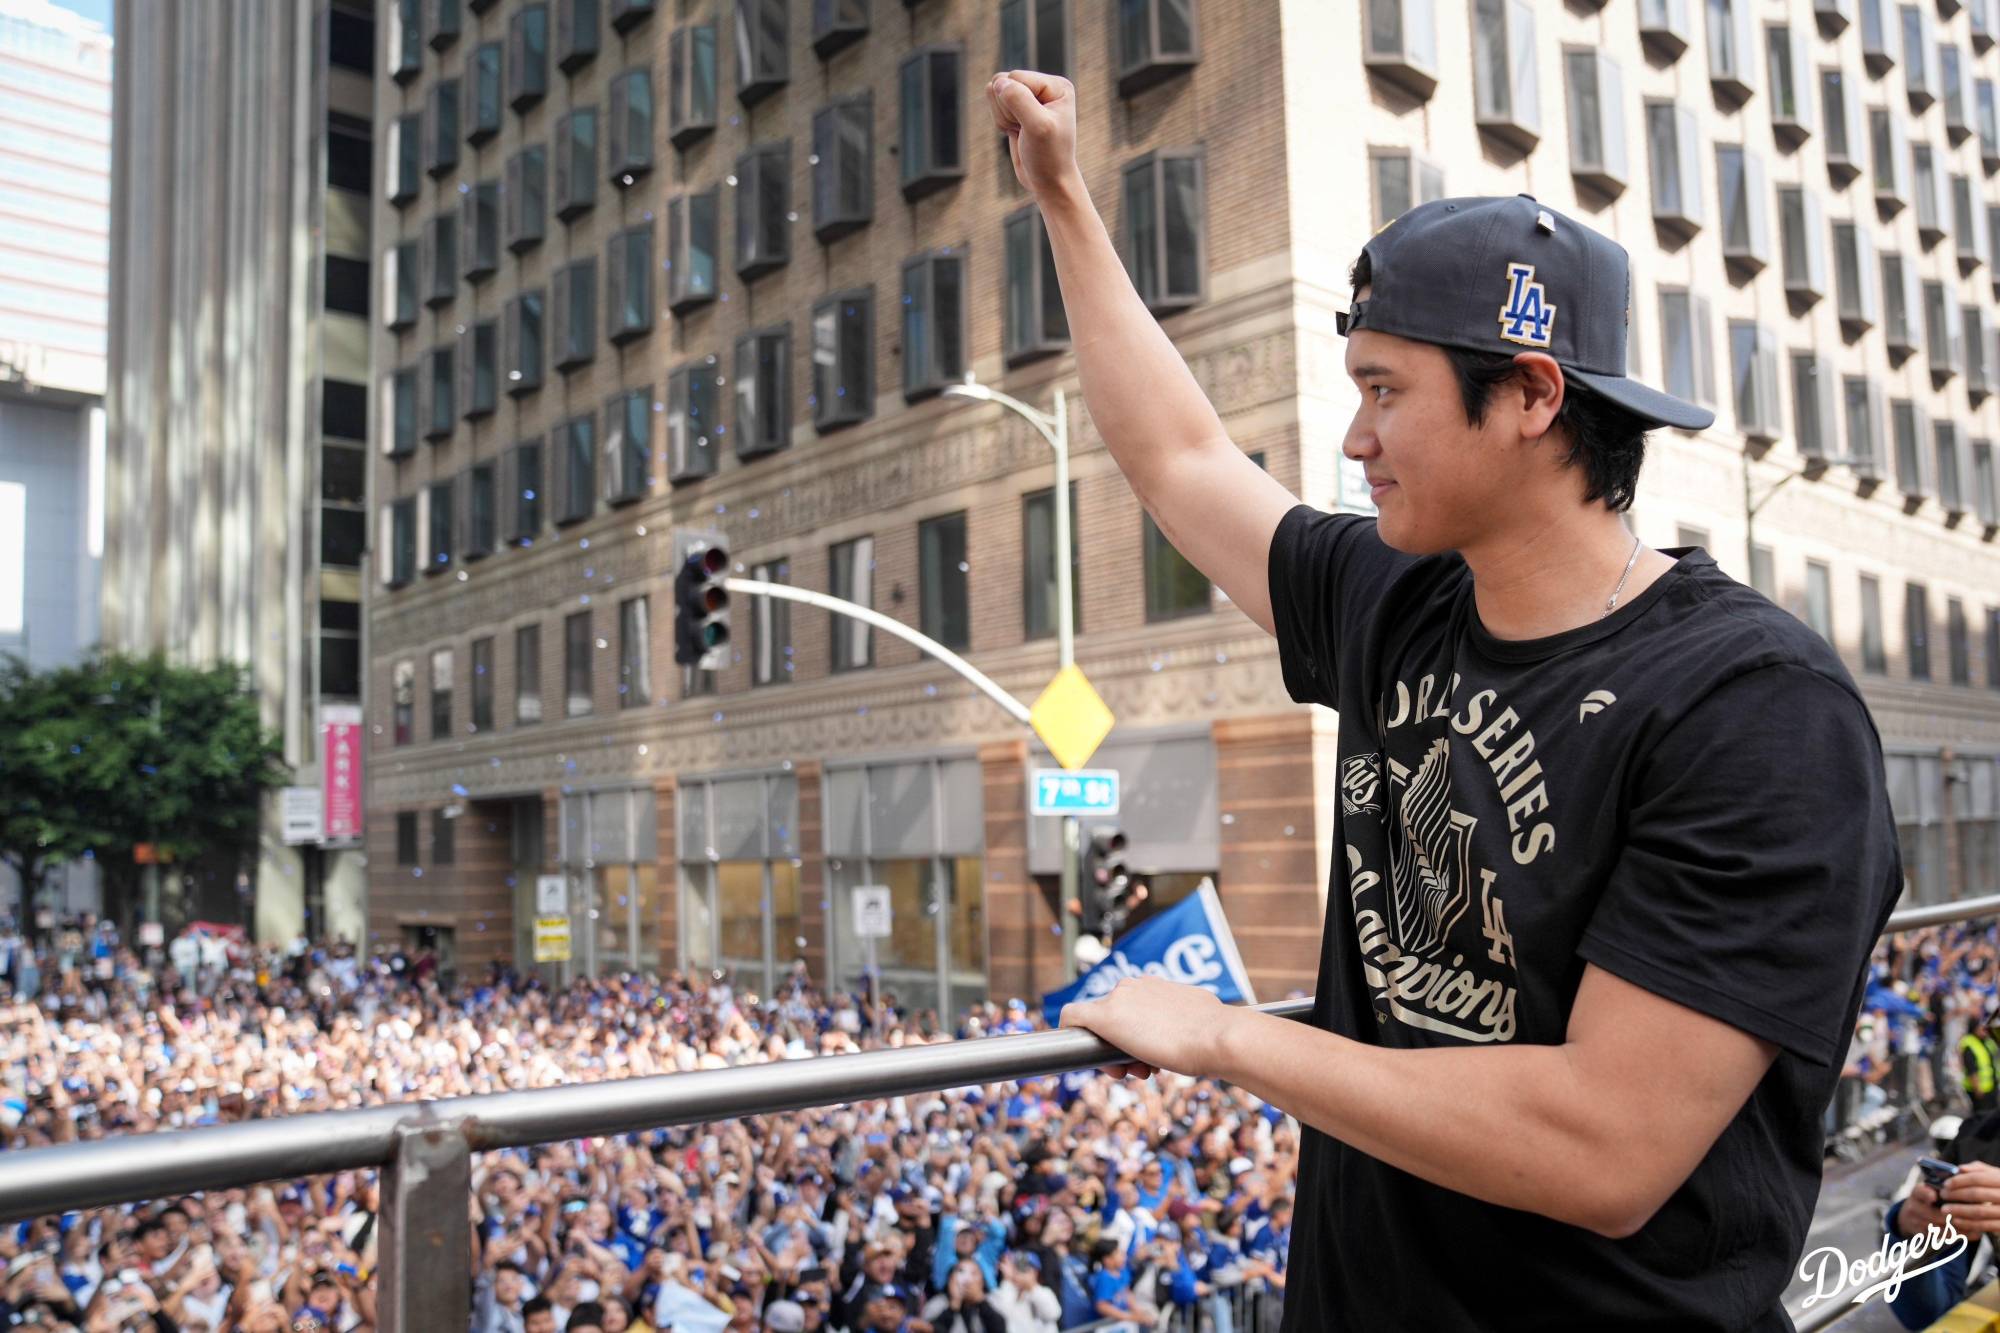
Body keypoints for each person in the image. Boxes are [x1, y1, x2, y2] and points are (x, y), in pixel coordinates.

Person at [986, 63, 1903, 1330]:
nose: (1353, 440)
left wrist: (1227, 1038)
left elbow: (1602, 1146)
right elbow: (1182, 457)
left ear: (1530, 393)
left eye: (1383, 391)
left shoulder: (1756, 711)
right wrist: (1064, 200)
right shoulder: (1397, 599)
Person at [988, 1252, 1059, 1333]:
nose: (1018, 1272)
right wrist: (1008, 1280)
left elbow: (1053, 1313)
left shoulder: (1044, 1292)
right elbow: (1003, 1314)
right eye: (1015, 1268)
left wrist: (1031, 1287)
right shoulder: (1003, 1293)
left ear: (1036, 1272)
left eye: (1023, 1268)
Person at [1961, 1008, 1999, 1114]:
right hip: (1981, 1091)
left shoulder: (1987, 1041)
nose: (1985, 1030)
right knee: (1982, 1119)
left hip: (1992, 1087)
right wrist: (1977, 1089)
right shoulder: (1969, 1045)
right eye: (1981, 1027)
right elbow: (1971, 1069)